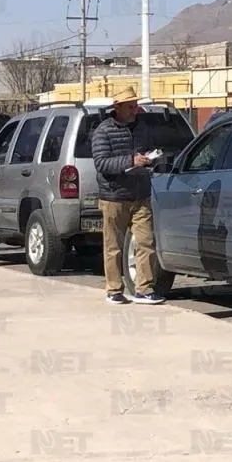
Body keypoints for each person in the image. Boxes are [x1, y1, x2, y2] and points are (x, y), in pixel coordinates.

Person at [91, 86, 164, 306]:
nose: (135, 110)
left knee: (146, 242)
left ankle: (144, 289)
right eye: (131, 107)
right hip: (114, 197)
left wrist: (153, 159)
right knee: (113, 246)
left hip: (141, 194)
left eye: (136, 106)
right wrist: (130, 162)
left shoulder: (142, 128)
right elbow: (101, 162)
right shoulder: (103, 131)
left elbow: (149, 150)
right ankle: (114, 289)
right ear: (118, 108)